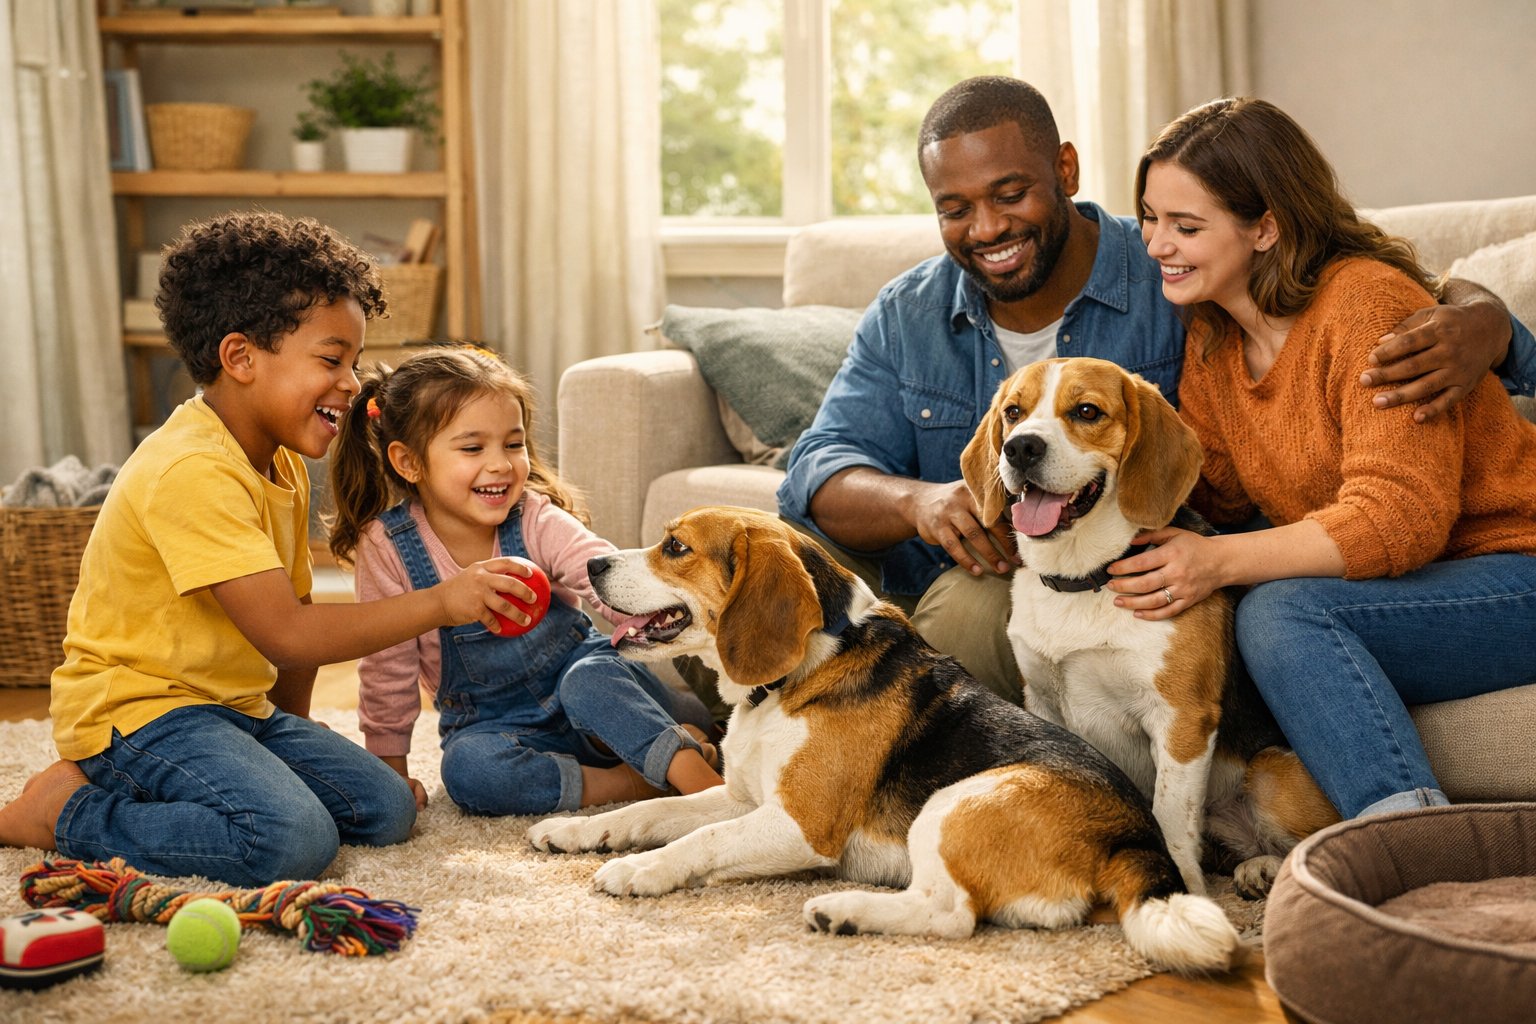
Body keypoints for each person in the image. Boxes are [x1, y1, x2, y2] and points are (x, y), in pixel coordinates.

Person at [776, 75, 1536, 703]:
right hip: (983, 566)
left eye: (1009, 194)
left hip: (1137, 575)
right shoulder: (912, 314)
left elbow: (1341, 275)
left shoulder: (1174, 281)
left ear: (1065, 172)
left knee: (1008, 613)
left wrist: (1486, 319)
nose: (986, 227)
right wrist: (918, 501)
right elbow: (815, 467)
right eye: (955, 208)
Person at [0, 211, 524, 886]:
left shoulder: (278, 463)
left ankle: (184, 788)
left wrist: (291, 742)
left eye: (355, 363)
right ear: (241, 358)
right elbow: (291, 631)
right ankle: (63, 811)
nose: (352, 382)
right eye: (332, 360)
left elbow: (292, 621)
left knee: (388, 810)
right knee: (289, 840)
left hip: (234, 709)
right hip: (140, 713)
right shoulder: (191, 469)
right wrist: (441, 603)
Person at [1104, 96, 1536, 818]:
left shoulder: (1364, 306)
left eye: (1185, 226)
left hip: (1514, 571)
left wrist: (1217, 562)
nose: (1155, 245)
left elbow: (1400, 518)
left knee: (1280, 613)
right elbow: (1216, 496)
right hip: (1409, 593)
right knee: (1228, 609)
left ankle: (1408, 836)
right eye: (1150, 218)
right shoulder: (1213, 341)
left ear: (1265, 226)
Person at [328, 346, 723, 817]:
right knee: (468, 771)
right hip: (496, 725)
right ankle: (638, 780)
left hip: (598, 694)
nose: (500, 464)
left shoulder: (534, 517)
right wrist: (389, 768)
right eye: (473, 448)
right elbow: (386, 664)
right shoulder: (387, 546)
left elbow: (597, 570)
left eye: (512, 444)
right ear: (408, 462)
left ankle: (705, 785)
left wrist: (661, 616)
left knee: (590, 679)